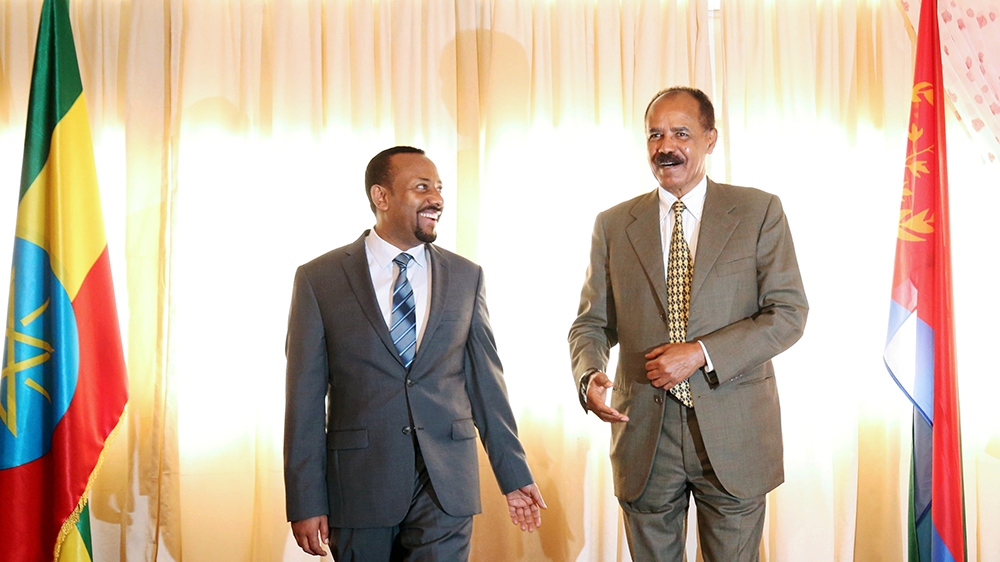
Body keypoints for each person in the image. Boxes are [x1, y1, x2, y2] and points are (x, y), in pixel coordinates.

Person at [568, 87, 808, 561]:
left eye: (681, 133)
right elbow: (591, 323)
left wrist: (700, 353)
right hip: (644, 435)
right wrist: (588, 374)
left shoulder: (758, 212)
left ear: (710, 139)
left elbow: (788, 313)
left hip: (735, 432)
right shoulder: (613, 224)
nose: (666, 147)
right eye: (655, 135)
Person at [284, 146, 545, 561]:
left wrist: (513, 475)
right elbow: (304, 400)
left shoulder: (466, 276)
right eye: (422, 187)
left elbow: (487, 386)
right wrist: (305, 500)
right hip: (360, 487)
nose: (437, 199)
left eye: (439, 188)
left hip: (446, 487)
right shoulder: (319, 279)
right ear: (381, 196)